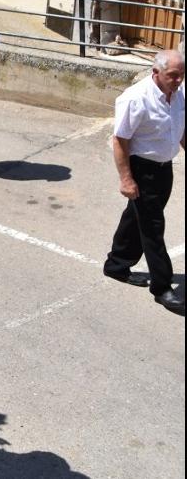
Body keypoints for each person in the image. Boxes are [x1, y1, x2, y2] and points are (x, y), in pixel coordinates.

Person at [103, 49, 185, 312]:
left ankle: (117, 264)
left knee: (137, 216)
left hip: (164, 169)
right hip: (142, 168)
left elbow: (180, 129)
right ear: (156, 72)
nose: (178, 80)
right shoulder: (136, 98)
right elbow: (120, 140)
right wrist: (126, 179)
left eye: (182, 75)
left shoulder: (178, 94)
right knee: (152, 226)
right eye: (173, 75)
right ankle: (161, 288)